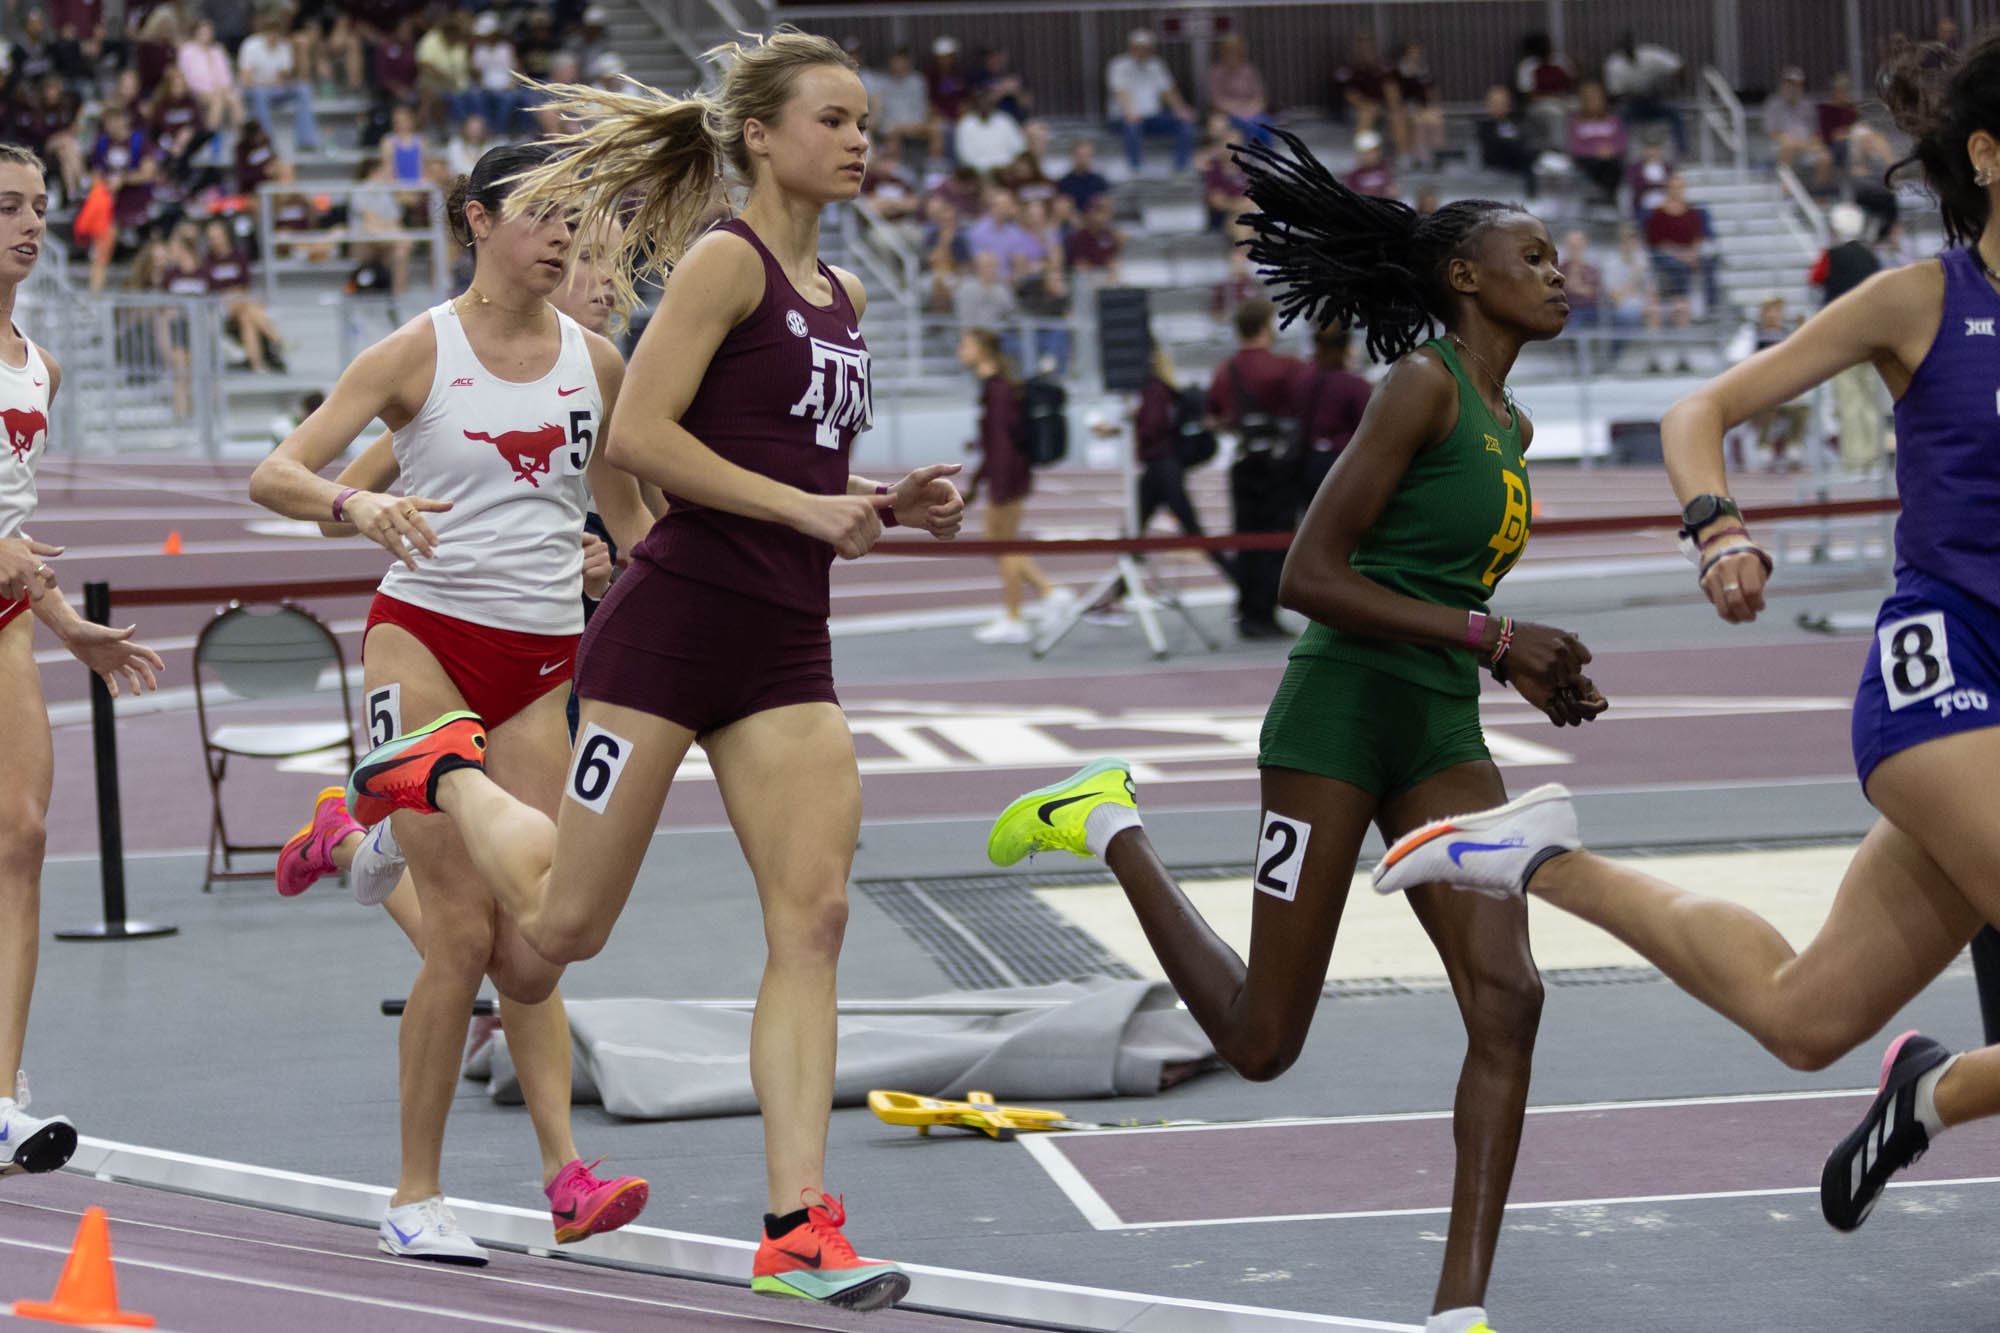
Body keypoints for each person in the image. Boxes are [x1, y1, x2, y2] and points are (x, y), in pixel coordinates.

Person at [342, 32, 966, 1310]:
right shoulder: (723, 264)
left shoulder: (840, 293)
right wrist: (804, 513)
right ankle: (444, 768)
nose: (860, 140)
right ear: (758, 135)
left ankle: (797, 1223)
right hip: (670, 628)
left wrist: (886, 503)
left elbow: (783, 472)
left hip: (786, 642)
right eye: (835, 118)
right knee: (562, 928)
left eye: (867, 121)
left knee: (817, 918)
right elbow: (640, 437)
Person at [1371, 29, 2000, 1248]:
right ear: (1986, 152)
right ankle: (1940, 1091)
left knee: (1802, 1016)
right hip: (1948, 677)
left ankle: (1540, 860)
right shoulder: (1921, 299)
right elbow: (1698, 406)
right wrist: (1716, 527)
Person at [985, 125, 1592, 1333]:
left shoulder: (1507, 426)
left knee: (1508, 999)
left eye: (1559, 256)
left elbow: (1442, 589)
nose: (1559, 272)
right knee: (1263, 1042)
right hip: (1333, 713)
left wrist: (1517, 659)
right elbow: (1304, 577)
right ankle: (1105, 822)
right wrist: (1489, 637)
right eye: (1535, 255)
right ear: (1465, 277)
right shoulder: (1419, 384)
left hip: (1437, 728)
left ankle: (1456, 1309)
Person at [248, 142, 656, 1265]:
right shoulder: (415, 351)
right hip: (421, 639)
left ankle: (350, 831)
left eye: (575, 216)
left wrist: (652, 577)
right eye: (540, 215)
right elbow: (275, 471)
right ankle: (431, 1192)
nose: (565, 235)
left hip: (540, 666)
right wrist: (354, 508)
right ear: (476, 222)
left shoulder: (598, 361)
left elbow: (634, 519)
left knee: (535, 951)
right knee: (462, 934)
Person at [0, 141, 165, 1179]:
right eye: (6, 205)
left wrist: (67, 622)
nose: (27, 224)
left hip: (7, 616)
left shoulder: (39, 365)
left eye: (36, 208)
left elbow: (16, 523)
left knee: (20, 836)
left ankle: (2, 1095)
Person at [1207, 295, 1308, 639]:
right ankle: (1264, 610)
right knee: (1276, 538)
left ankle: (1247, 607)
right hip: (1278, 464)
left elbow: (1215, 416)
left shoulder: (1225, 371)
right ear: (1267, 326)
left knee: (1245, 536)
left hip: (1243, 460)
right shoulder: (1289, 367)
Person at [961, 325, 1060, 644]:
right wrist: (977, 484)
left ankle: (1017, 617)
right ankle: (1050, 595)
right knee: (1000, 542)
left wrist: (995, 488)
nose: (960, 351)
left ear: (982, 350)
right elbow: (994, 443)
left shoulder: (998, 390)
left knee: (1002, 544)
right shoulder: (995, 387)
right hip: (1008, 476)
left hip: (1008, 478)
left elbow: (1002, 444)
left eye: (966, 344)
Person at [1132, 337, 1232, 581]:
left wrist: (1133, 420)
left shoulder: (1153, 388)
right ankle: (1115, 597)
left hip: (1162, 468)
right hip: (1161, 468)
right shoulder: (1161, 387)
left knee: (1192, 533)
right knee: (1132, 533)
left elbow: (1152, 428)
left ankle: (1242, 582)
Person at [1813, 201, 1886, 471]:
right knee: (1869, 399)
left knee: (1849, 399)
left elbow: (1814, 279)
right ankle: (1873, 456)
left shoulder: (1830, 256)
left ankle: (1855, 460)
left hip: (1841, 336)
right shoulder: (1871, 257)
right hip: (1872, 336)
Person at [1295, 322, 1373, 503]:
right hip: (1342, 463)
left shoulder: (1302, 381)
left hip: (1308, 461)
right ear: (1346, 347)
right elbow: (1365, 429)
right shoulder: (1355, 386)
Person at [1105, 29, 1194, 172]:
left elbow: (1168, 91)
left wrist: (1180, 109)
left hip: (1151, 117)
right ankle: (1135, 170)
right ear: (1131, 48)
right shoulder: (1119, 65)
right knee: (1132, 125)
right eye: (1138, 48)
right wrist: (1130, 112)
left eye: (1145, 48)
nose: (1141, 52)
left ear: (1151, 49)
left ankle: (1181, 168)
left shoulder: (1156, 65)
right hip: (1123, 118)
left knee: (1184, 123)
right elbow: (1121, 92)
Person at [237, 9, 319, 155]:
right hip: (254, 92)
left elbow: (283, 77)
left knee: (303, 88)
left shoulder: (284, 46)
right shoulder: (251, 45)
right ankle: (266, 142)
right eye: (270, 32)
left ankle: (306, 141)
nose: (274, 37)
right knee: (259, 93)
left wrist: (301, 54)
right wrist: (269, 82)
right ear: (264, 32)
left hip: (274, 91)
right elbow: (246, 79)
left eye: (277, 33)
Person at [1567, 80, 1627, 205]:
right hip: (1587, 160)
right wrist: (1595, 152)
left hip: (1611, 158)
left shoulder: (1613, 119)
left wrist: (1611, 150)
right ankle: (1601, 199)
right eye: (1590, 98)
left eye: (1597, 97)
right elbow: (1574, 146)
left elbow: (1621, 143)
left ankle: (1608, 200)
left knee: (1614, 165)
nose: (1594, 101)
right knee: (1596, 165)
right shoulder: (1576, 120)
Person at [1206, 33, 1272, 147]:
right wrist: (1239, 111)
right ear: (1222, 53)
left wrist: (1251, 110)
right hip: (1227, 114)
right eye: (1229, 52)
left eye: (1235, 52)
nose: (1232, 56)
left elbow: (1260, 97)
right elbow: (1216, 100)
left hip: (1252, 112)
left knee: (1262, 123)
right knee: (1219, 127)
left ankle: (1263, 156)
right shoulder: (1215, 72)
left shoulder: (1249, 70)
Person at [1390, 41, 1446, 171]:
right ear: (1406, 54)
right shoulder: (1398, 71)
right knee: (1416, 120)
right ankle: (1409, 156)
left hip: (1422, 107)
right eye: (1412, 52)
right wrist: (1399, 107)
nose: (1415, 55)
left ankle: (1433, 154)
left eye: (1418, 52)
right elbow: (1393, 93)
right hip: (1404, 107)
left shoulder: (1424, 71)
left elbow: (1432, 91)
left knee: (1436, 118)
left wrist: (1433, 106)